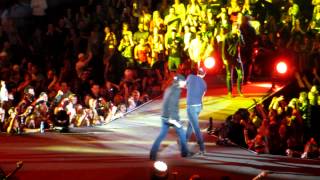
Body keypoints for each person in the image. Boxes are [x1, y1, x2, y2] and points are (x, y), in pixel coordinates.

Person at [150, 74, 190, 161]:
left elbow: (166, 103)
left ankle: (152, 154)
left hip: (164, 116)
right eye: (184, 81)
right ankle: (185, 152)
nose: (185, 83)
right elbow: (172, 105)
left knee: (162, 135)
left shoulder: (169, 88)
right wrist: (174, 120)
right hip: (171, 117)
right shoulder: (176, 91)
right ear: (179, 81)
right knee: (182, 132)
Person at [185, 67, 207, 155]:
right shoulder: (205, 84)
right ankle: (184, 140)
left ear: (198, 72)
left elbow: (187, 86)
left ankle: (202, 149)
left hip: (191, 107)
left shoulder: (190, 77)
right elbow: (202, 97)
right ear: (204, 74)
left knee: (196, 127)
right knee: (191, 124)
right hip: (199, 107)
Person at [221, 24, 244, 97]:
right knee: (229, 75)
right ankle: (229, 92)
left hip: (237, 58)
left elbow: (243, 45)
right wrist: (224, 58)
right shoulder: (227, 36)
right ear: (232, 28)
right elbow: (223, 49)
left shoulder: (239, 36)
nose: (236, 29)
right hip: (229, 58)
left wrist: (240, 36)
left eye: (238, 28)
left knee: (240, 75)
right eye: (235, 28)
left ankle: (240, 91)